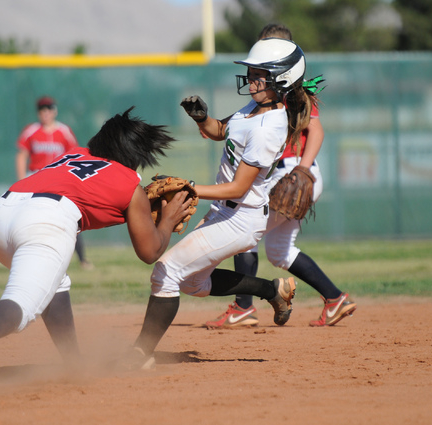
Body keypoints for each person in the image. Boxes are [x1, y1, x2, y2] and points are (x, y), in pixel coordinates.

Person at [0, 108, 194, 383]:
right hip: (44, 222)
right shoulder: (129, 183)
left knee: (55, 280)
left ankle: (73, 364)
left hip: (2, 212)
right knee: (23, 302)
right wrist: (168, 218)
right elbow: (150, 252)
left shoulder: (73, 154)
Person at [124, 37, 308, 370]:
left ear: (282, 80)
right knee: (194, 283)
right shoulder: (255, 108)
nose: (252, 79)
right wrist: (202, 119)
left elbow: (237, 188)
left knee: (166, 272)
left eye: (260, 74)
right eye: (251, 72)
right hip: (228, 212)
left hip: (241, 217)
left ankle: (140, 353)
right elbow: (222, 130)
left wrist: (190, 188)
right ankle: (272, 290)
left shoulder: (270, 127)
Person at [205, 24, 356, 329]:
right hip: (288, 174)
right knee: (279, 250)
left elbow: (316, 130)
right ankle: (335, 299)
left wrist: (303, 169)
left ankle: (243, 307)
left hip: (292, 174)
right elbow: (222, 130)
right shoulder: (262, 95)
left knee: (245, 230)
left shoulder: (294, 93)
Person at [15, 95, 93, 270]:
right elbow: (22, 155)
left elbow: (76, 156)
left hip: (59, 182)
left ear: (55, 111)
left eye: (49, 109)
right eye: (42, 110)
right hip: (36, 181)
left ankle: (82, 259)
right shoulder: (31, 131)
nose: (45, 113)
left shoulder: (64, 131)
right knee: (33, 221)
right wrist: (21, 181)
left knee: (70, 218)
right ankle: (30, 259)